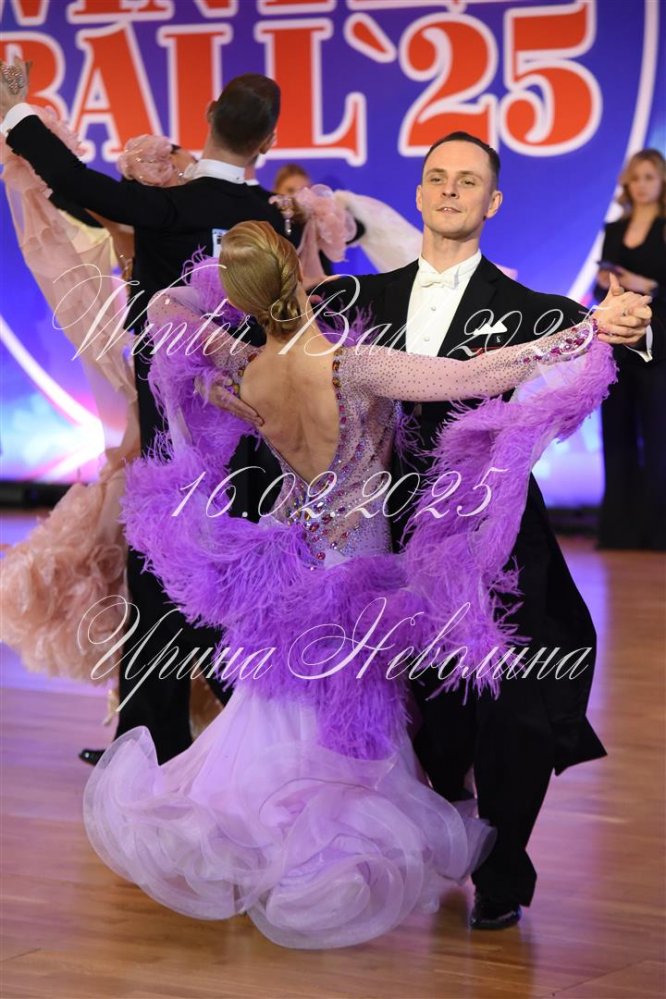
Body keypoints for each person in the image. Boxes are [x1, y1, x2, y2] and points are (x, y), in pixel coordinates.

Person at [82, 219, 648, 950]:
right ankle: (316, 861)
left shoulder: (247, 368)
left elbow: (169, 307)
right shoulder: (354, 366)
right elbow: (473, 377)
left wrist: (218, 344)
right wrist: (587, 331)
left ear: (243, 296)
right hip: (354, 560)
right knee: (344, 720)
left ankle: (261, 846)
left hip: (286, 554)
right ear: (296, 275)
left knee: (279, 708)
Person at [218, 132, 651, 930]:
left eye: (468, 181)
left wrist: (626, 321)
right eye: (438, 177)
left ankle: (503, 870)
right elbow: (268, 338)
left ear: (493, 202)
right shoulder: (358, 300)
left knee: (516, 704)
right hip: (393, 542)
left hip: (497, 534)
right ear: (418, 195)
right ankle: (450, 818)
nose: (451, 189)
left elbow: (606, 332)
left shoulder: (528, 308)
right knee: (435, 715)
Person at [0, 60, 295, 765]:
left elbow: (73, 183)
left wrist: (15, 112)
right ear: (267, 142)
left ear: (209, 113)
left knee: (158, 588)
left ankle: (148, 745)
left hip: (171, 440)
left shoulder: (170, 206)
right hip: (246, 441)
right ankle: (242, 740)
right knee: (232, 585)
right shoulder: (270, 221)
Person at [595, 148, 665, 550]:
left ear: (662, 182)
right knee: (616, 437)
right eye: (635, 178)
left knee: (658, 439)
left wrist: (648, 286)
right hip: (619, 345)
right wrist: (610, 287)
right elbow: (601, 291)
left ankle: (658, 533)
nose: (641, 185)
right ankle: (619, 532)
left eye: (649, 177)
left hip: (661, 342)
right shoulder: (614, 229)